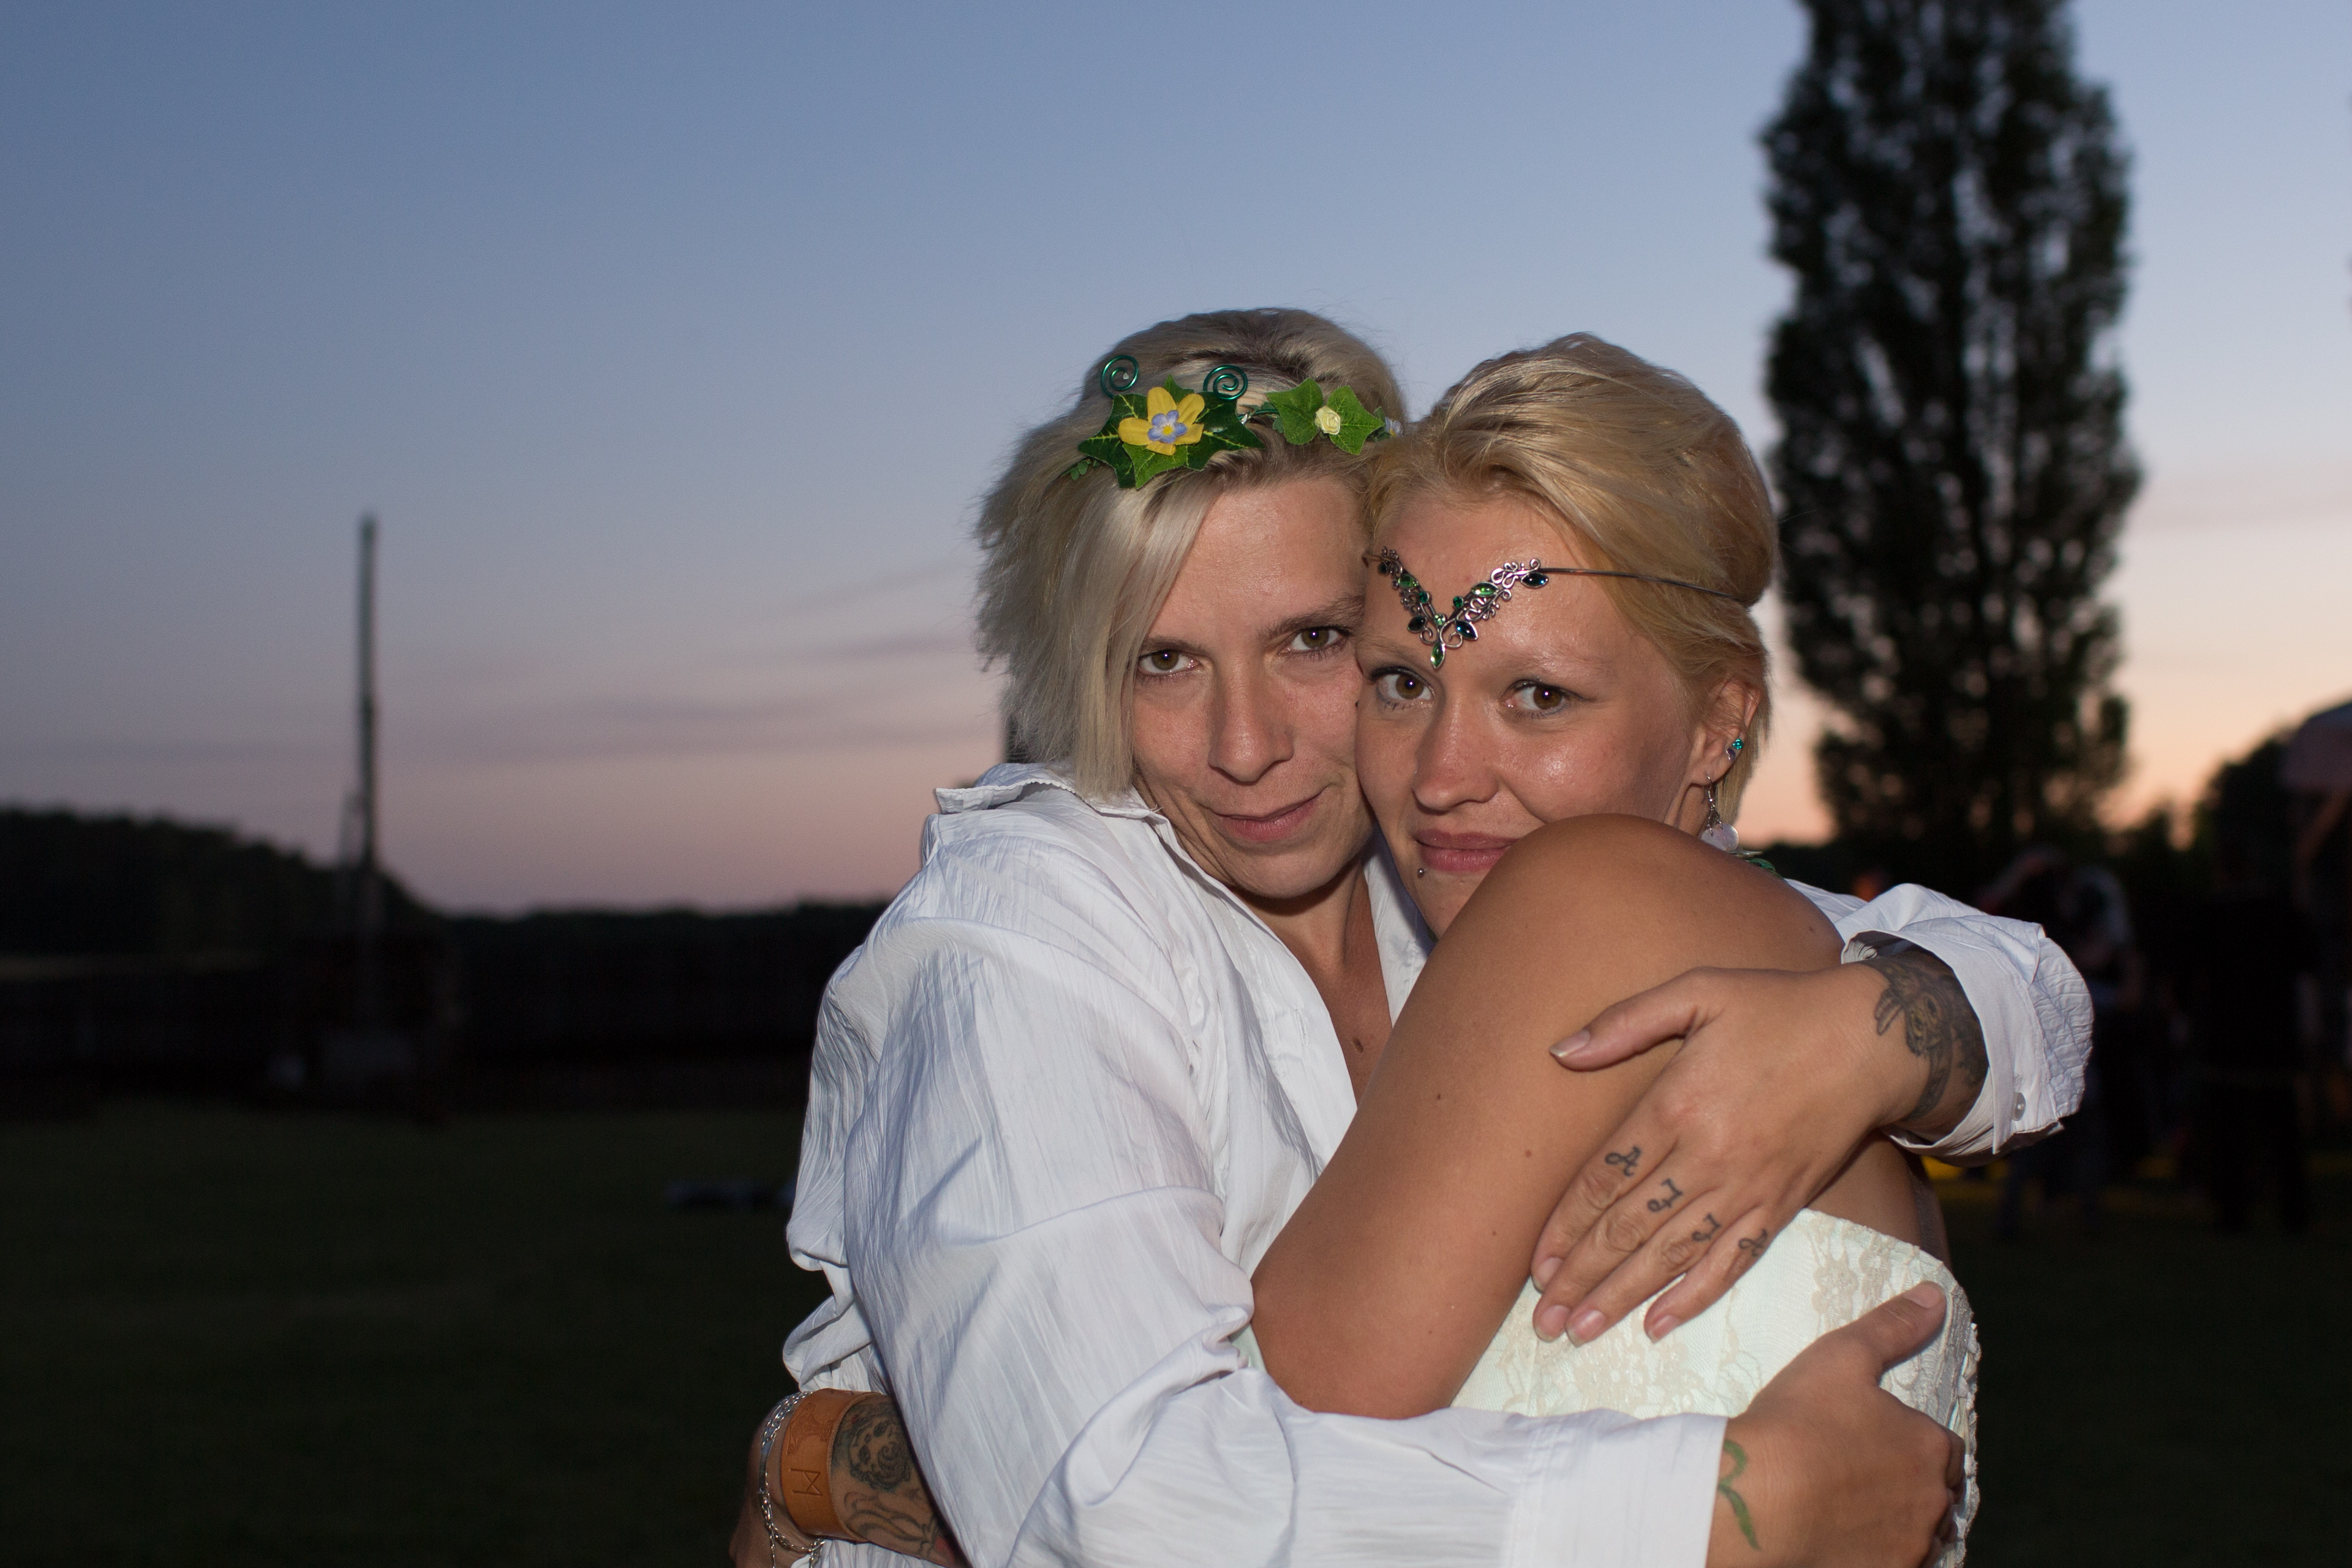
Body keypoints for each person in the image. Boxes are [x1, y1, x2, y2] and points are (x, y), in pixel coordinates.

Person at [742, 310, 2088, 1567]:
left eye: (1316, 642)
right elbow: (1116, 1499)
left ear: (1719, 723)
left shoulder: (1504, 899)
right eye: (1164, 659)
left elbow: (2016, 975)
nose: (1247, 745)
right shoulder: (1028, 924)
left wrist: (1878, 1035)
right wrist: (1718, 1512)